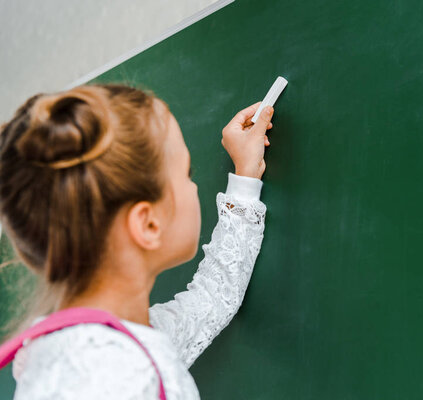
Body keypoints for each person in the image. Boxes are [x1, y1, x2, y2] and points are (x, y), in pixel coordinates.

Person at [0, 83, 275, 399]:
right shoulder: (107, 375)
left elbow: (214, 298)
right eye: (188, 173)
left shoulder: (109, 346)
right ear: (148, 223)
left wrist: (245, 178)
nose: (194, 186)